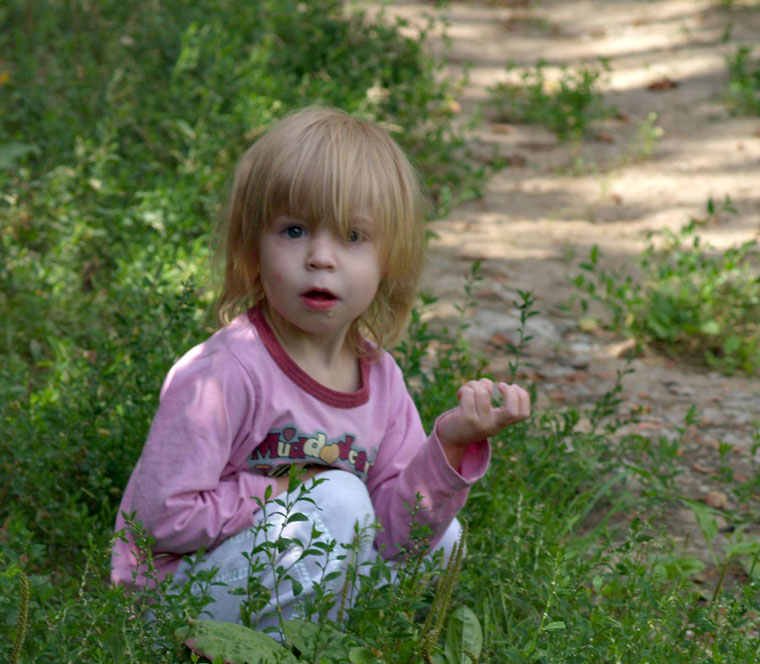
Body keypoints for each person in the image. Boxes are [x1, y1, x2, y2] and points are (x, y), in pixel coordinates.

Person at [111, 106, 530, 630]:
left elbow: (397, 533)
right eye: (294, 230)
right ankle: (290, 644)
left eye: (353, 237)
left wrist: (448, 445)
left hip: (285, 569)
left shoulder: (380, 379)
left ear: (388, 262)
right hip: (180, 599)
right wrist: (289, 490)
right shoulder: (226, 372)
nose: (320, 258)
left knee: (442, 541)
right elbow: (160, 519)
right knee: (339, 497)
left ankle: (326, 637)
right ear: (251, 247)